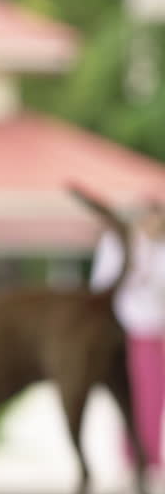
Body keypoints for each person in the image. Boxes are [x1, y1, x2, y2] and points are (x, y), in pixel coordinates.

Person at [90, 198, 165, 478]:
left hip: (156, 327)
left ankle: (149, 456)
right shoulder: (117, 245)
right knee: (130, 394)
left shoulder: (159, 248)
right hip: (127, 326)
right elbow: (101, 284)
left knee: (154, 395)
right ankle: (133, 456)